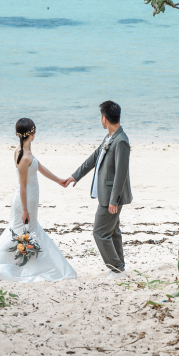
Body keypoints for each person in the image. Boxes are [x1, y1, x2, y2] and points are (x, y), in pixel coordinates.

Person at [0, 117, 77, 283]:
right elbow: (22, 186)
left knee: (28, 233)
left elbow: (39, 166)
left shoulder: (24, 151)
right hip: (25, 200)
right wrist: (25, 210)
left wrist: (58, 180)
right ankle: (4, 267)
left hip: (29, 198)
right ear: (32, 133)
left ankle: (28, 266)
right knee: (21, 233)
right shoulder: (24, 156)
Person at [65, 100, 131, 278]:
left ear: (104, 119)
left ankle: (116, 268)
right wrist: (75, 176)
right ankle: (120, 267)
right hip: (106, 194)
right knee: (113, 231)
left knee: (100, 232)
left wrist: (113, 200)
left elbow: (121, 174)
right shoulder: (110, 137)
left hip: (111, 196)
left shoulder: (121, 141)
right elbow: (95, 157)